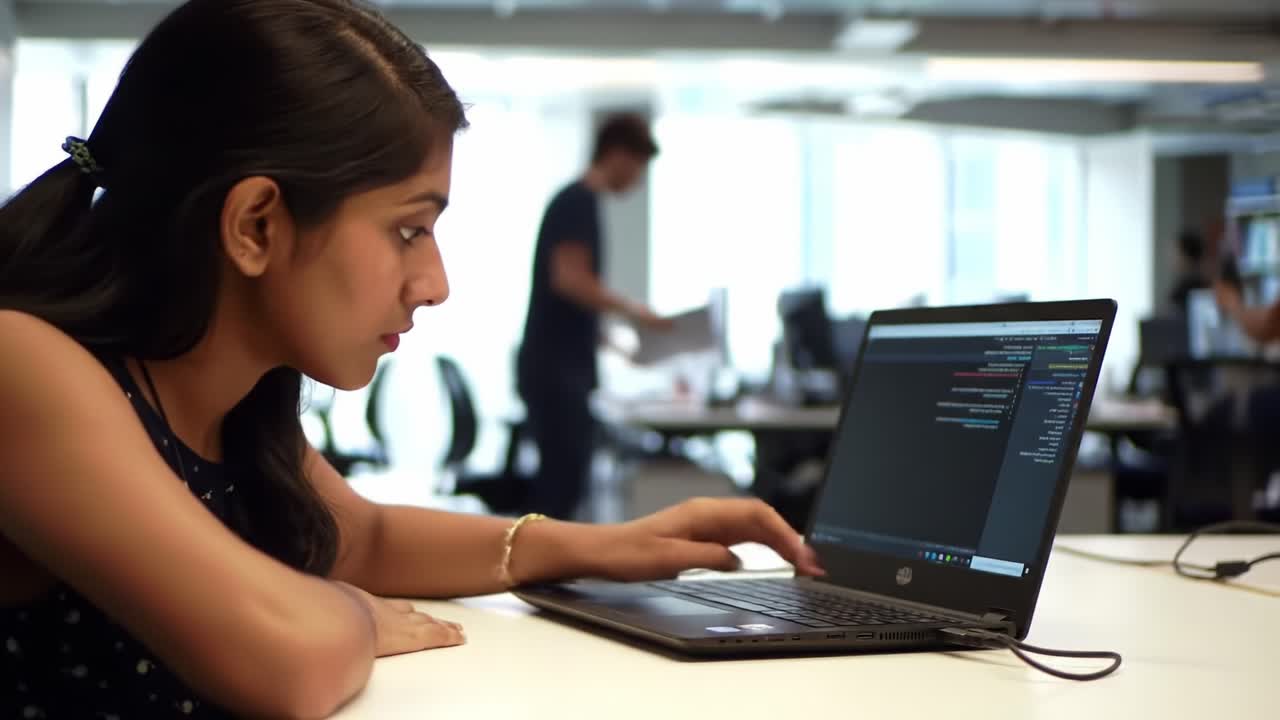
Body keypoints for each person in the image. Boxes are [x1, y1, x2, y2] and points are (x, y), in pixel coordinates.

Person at [0, 2, 824, 718]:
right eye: (408, 230)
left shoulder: (234, 401)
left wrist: (600, 545)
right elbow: (286, 656)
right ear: (256, 226)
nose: (435, 285)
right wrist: (349, 613)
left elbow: (366, 539)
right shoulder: (25, 367)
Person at [516, 114, 672, 520]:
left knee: (565, 484)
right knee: (561, 490)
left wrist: (614, 340)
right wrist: (635, 311)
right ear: (618, 155)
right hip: (556, 372)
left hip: (558, 366)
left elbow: (571, 301)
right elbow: (569, 280)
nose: (638, 181)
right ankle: (541, 576)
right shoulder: (578, 200)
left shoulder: (578, 200)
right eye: (638, 168)